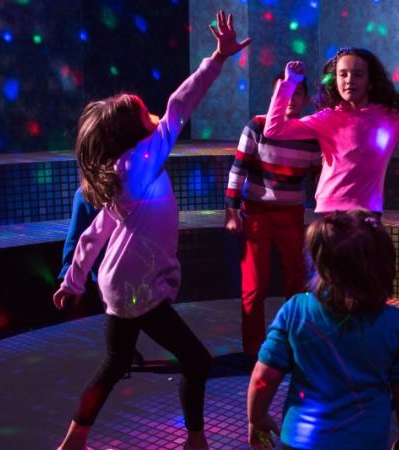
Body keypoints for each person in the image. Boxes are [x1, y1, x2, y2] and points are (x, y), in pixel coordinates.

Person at [51, 11, 250, 450]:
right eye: (145, 112)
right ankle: (195, 440)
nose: (155, 112)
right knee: (196, 360)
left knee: (115, 361)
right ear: (135, 132)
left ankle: (73, 440)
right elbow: (181, 104)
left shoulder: (127, 170)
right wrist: (216, 58)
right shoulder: (141, 161)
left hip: (118, 283)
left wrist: (73, 280)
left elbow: (93, 234)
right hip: (136, 287)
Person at [246, 210, 399, 450]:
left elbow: (263, 380)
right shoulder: (395, 324)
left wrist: (257, 419)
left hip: (302, 440)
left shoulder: (295, 311)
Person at [263, 48, 399, 214]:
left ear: (371, 82)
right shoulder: (326, 118)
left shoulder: (392, 117)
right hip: (330, 213)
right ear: (335, 79)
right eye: (342, 74)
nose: (349, 80)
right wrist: (288, 84)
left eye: (358, 74)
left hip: (368, 213)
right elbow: (273, 130)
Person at [224, 74, 321, 359]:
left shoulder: (309, 133)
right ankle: (253, 351)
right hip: (257, 214)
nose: (292, 99)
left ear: (304, 98)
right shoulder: (258, 125)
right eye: (285, 92)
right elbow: (237, 168)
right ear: (276, 95)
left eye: (298, 93)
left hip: (291, 215)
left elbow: (320, 173)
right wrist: (231, 211)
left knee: (298, 280)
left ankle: (295, 344)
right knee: (254, 286)